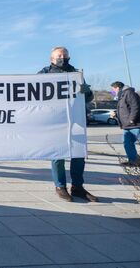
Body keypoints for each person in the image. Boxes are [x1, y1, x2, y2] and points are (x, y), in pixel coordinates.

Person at [38, 46, 97, 202]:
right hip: (56, 121)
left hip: (77, 120)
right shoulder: (44, 74)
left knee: (78, 155)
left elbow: (88, 98)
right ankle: (60, 186)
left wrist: (87, 92)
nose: (62, 58)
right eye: (59, 56)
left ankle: (77, 187)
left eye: (65, 56)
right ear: (52, 59)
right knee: (58, 155)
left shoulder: (76, 74)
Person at [110, 81, 140, 166]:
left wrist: (131, 120)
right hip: (127, 127)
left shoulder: (129, 93)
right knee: (127, 143)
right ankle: (133, 161)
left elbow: (136, 107)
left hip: (136, 125)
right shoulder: (122, 96)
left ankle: (134, 160)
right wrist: (116, 114)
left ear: (117, 88)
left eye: (113, 90)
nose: (113, 92)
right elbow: (125, 110)